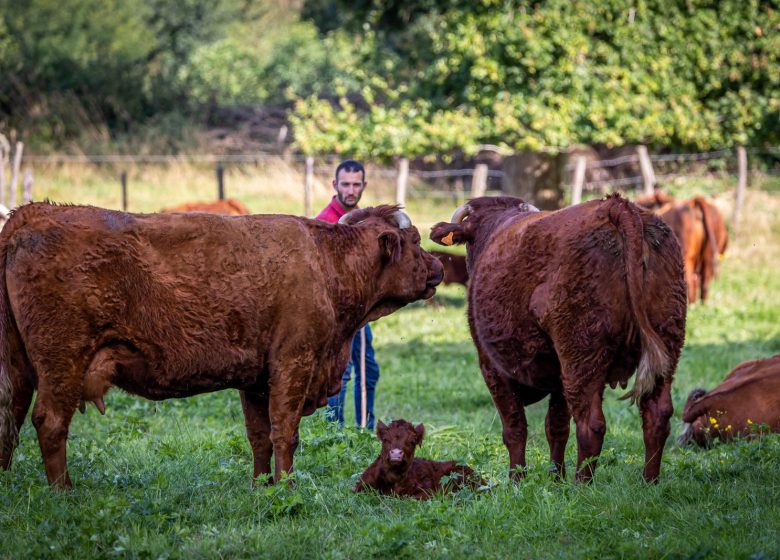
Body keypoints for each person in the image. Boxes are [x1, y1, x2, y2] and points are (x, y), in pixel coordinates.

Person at [316, 160, 381, 429]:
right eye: (345, 184)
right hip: (338, 310)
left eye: (356, 184)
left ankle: (361, 428)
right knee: (342, 371)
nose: (351, 190)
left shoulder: (367, 219)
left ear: (364, 185)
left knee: (367, 370)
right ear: (335, 185)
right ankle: (336, 431)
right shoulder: (325, 222)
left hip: (360, 308)